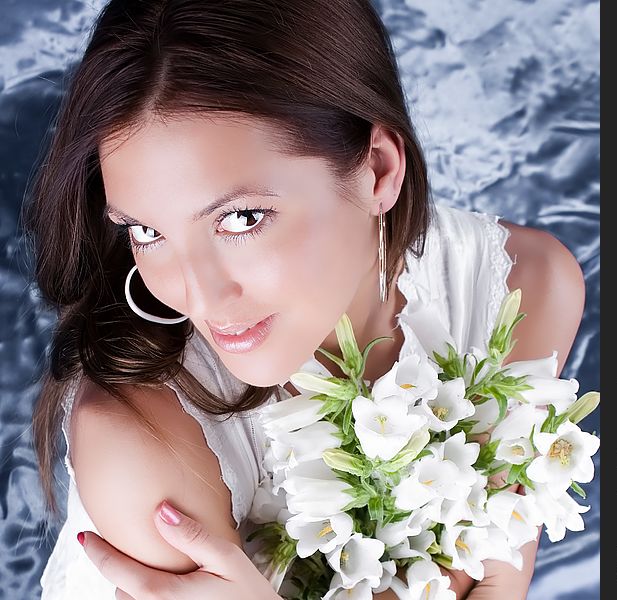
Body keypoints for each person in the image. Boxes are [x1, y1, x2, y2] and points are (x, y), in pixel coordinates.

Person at [23, 0, 586, 598]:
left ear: (377, 168)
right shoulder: (136, 440)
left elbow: (500, 572)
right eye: (147, 231)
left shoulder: (523, 287)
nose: (201, 294)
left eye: (241, 218)